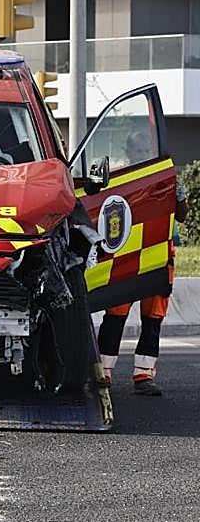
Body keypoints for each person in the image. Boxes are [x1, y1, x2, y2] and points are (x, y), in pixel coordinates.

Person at [95, 130, 189, 396]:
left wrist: (179, 195)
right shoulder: (120, 179)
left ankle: (144, 375)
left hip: (158, 255)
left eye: (145, 150)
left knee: (153, 318)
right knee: (115, 315)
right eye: (137, 151)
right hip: (125, 256)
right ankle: (103, 372)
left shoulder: (165, 178)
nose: (142, 155)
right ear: (129, 153)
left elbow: (182, 216)